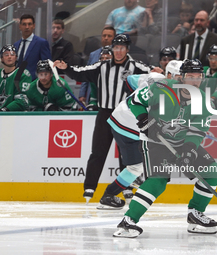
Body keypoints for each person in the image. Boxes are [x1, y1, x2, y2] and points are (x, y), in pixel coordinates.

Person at [113, 59, 217, 238]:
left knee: (212, 172)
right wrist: (144, 119)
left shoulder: (202, 99)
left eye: (199, 77)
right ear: (182, 77)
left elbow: (198, 128)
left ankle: (195, 213)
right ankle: (128, 221)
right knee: (158, 179)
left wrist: (188, 150)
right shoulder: (161, 88)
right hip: (155, 141)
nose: (195, 81)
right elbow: (134, 101)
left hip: (181, 141)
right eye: (191, 76)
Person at [54, 34, 163, 203]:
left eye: (122, 48)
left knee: (125, 153)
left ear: (127, 49)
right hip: (105, 113)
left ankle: (126, 187)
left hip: (127, 114)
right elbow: (80, 73)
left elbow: (152, 75)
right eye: (116, 48)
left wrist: (157, 71)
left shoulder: (136, 66)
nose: (118, 51)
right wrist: (66, 67)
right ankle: (89, 187)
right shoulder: (101, 66)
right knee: (98, 151)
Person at [97, 62, 181, 210]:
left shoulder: (154, 76)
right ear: (169, 75)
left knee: (138, 166)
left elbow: (129, 81)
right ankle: (109, 195)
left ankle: (114, 193)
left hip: (123, 119)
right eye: (180, 76)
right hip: (129, 124)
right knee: (137, 166)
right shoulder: (164, 86)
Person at [0, 44, 31, 111]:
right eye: (6, 55)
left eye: (12, 54)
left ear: (16, 57)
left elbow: (22, 100)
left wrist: (4, 110)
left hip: (15, 115)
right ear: (1, 58)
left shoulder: (23, 74)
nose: (9, 57)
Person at [79, 27, 116, 105]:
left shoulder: (118, 54)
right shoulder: (93, 54)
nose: (106, 38)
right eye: (104, 36)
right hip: (93, 93)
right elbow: (86, 74)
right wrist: (82, 94)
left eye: (109, 36)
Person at [14, 14, 51, 80]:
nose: (27, 27)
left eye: (29, 24)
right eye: (24, 24)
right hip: (17, 82)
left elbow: (47, 65)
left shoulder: (41, 43)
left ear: (34, 26)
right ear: (20, 26)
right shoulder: (16, 45)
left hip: (33, 83)